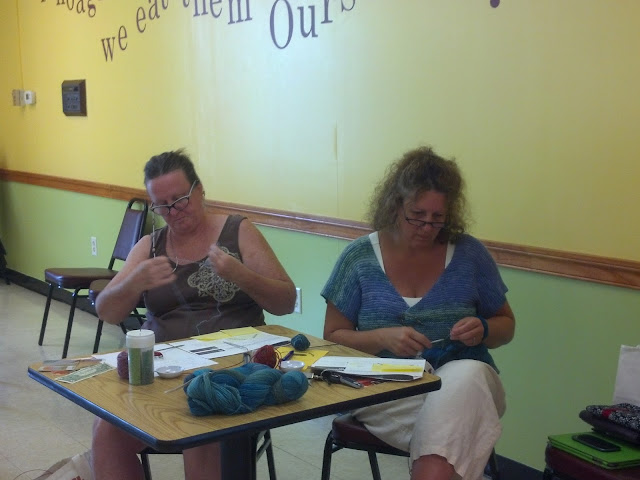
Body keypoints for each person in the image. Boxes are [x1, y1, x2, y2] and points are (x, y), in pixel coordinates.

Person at [91, 149, 296, 480]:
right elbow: (106, 310)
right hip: (164, 375)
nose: (173, 212)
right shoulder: (150, 245)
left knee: (202, 428)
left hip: (230, 375)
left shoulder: (238, 231)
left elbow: (285, 301)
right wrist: (133, 281)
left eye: (180, 200)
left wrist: (241, 275)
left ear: (199, 190)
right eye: (162, 206)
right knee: (106, 432)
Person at [321, 146, 515, 480]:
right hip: (385, 392)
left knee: (466, 378)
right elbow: (332, 338)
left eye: (438, 219)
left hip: (465, 385)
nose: (427, 227)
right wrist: (382, 338)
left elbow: (506, 326)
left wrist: (483, 329)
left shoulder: (470, 255)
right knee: (458, 424)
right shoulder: (359, 258)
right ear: (395, 205)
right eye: (417, 215)